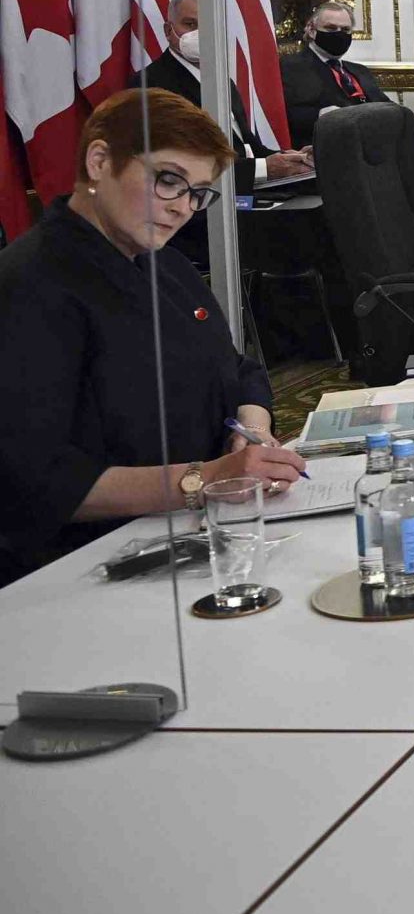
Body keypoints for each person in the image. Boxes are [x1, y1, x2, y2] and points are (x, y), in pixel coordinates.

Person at [0, 90, 307, 586]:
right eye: (168, 181)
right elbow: (34, 480)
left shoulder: (163, 263)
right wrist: (205, 478)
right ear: (100, 162)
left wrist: (253, 431)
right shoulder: (32, 285)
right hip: (83, 566)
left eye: (197, 193)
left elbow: (236, 369)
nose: (183, 208)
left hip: (203, 529)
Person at [141, 0, 312, 186]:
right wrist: (265, 168)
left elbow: (247, 147)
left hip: (247, 190)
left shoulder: (221, 79)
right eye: (190, 24)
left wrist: (294, 159)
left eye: (208, 24)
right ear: (168, 30)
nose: (200, 33)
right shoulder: (151, 84)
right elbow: (180, 162)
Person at [279, 0, 405, 148]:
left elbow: (385, 105)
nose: (339, 34)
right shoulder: (290, 67)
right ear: (311, 30)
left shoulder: (360, 71)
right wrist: (320, 115)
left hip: (372, 144)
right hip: (326, 147)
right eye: (331, 28)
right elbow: (284, 115)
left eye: (345, 30)